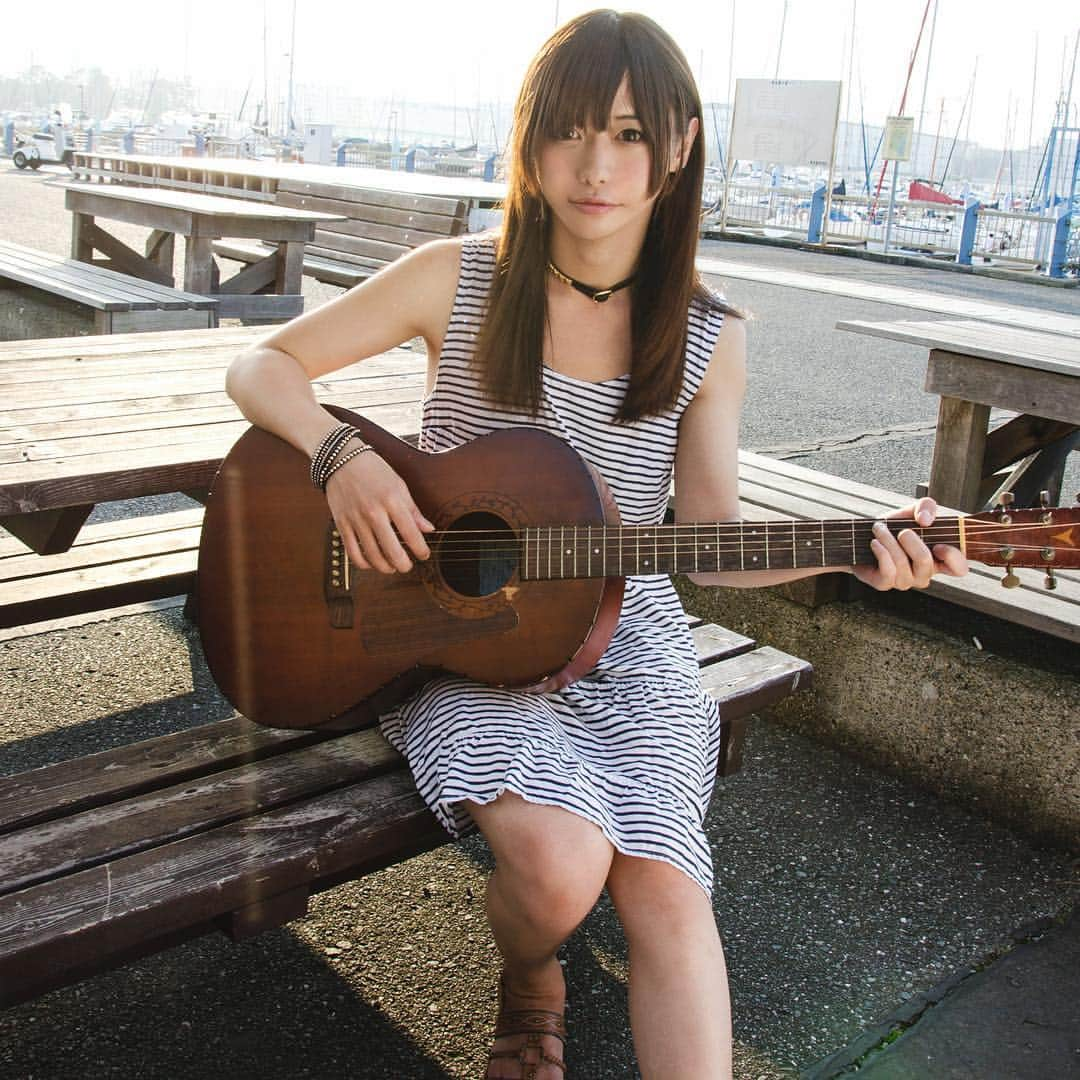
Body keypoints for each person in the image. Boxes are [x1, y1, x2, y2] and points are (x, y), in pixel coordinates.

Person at [225, 10, 968, 1078]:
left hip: (628, 637)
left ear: (680, 145)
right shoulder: (461, 276)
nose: (597, 165)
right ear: (529, 141)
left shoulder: (710, 334)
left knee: (667, 888)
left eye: (628, 133)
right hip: (449, 628)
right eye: (568, 130)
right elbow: (262, 369)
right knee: (561, 872)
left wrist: (854, 548)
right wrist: (340, 454)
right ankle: (532, 975)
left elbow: (706, 543)